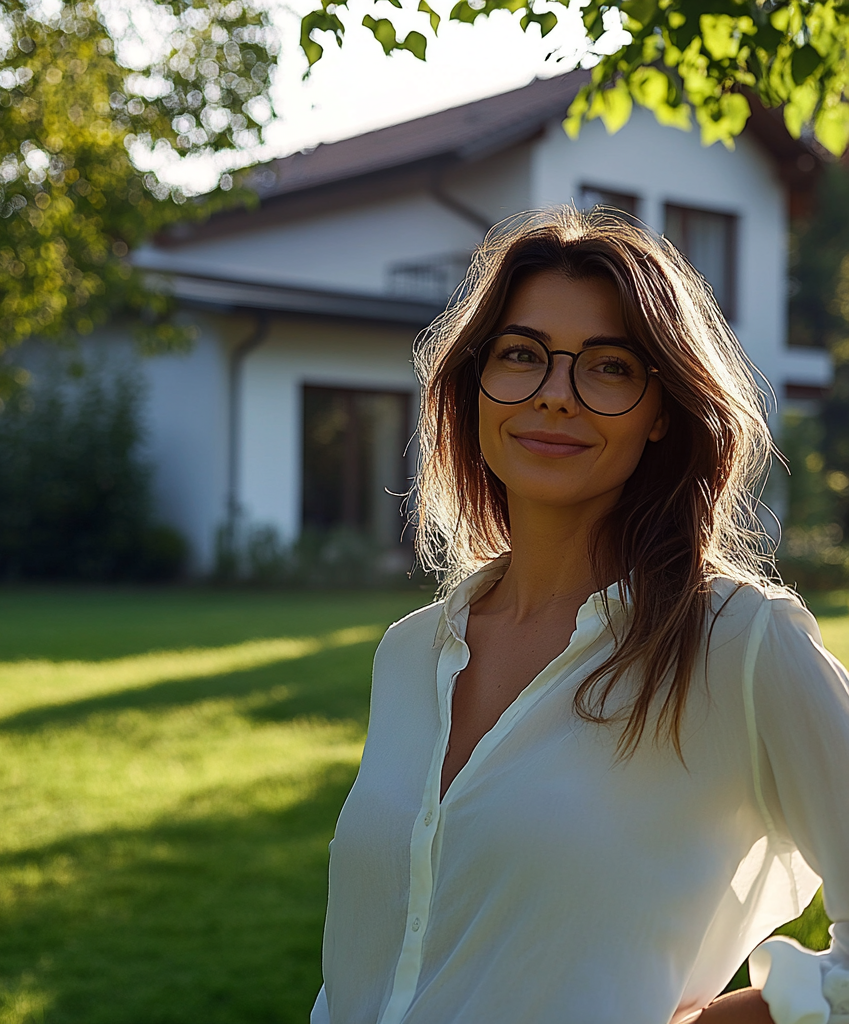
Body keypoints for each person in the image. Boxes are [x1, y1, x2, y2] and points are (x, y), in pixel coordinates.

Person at [309, 208, 849, 1024]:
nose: (555, 396)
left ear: (661, 409)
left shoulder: (740, 642)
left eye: (609, 367)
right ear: (474, 385)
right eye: (522, 355)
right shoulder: (413, 652)